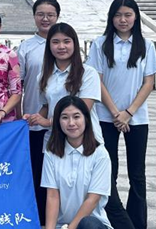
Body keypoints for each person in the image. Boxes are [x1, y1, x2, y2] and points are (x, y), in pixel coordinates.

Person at [88, 0, 156, 229]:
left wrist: (129, 112)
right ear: (111, 18)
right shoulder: (100, 44)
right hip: (105, 116)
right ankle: (114, 228)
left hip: (136, 118)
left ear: (136, 17)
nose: (123, 20)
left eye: (128, 15)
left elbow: (149, 82)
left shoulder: (145, 45)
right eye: (118, 15)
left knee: (137, 175)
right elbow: (97, 80)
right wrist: (115, 112)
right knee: (107, 176)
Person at [42, 96, 115, 229]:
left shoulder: (100, 154)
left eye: (76, 116)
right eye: (65, 117)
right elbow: (52, 196)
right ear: (58, 122)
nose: (71, 123)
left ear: (86, 119)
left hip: (94, 228)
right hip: (63, 226)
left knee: (88, 225)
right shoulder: (52, 152)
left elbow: (92, 200)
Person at [24, 22, 103, 151]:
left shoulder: (88, 73)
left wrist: (49, 122)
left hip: (84, 141)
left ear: (74, 44)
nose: (61, 46)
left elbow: (84, 109)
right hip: (55, 141)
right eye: (55, 42)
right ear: (49, 46)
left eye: (66, 41)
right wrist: (34, 118)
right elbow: (47, 106)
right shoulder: (43, 76)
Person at [17, 0, 61, 224]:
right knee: (35, 170)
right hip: (34, 119)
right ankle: (37, 219)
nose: (45, 19)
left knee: (57, 172)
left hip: (62, 123)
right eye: (40, 14)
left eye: (50, 14)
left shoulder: (64, 44)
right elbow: (17, 85)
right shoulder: (26, 47)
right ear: (34, 16)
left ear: (57, 16)